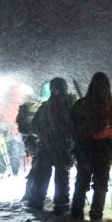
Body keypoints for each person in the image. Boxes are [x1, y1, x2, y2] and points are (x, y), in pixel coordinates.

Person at [69, 72, 112, 222]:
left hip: (86, 152)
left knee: (82, 184)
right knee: (100, 186)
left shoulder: (81, 105)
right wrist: (109, 134)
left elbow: (73, 129)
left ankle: (77, 214)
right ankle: (95, 215)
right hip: (103, 153)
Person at [26, 78, 76, 214]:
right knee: (61, 177)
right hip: (61, 147)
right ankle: (61, 205)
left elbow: (34, 127)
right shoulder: (72, 107)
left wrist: (44, 131)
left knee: (43, 176)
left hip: (49, 147)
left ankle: (36, 202)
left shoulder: (46, 107)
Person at [17, 81, 50, 201]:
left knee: (37, 167)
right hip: (46, 143)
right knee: (42, 168)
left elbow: (27, 127)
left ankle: (30, 192)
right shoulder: (49, 107)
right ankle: (34, 195)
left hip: (33, 142)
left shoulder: (33, 106)